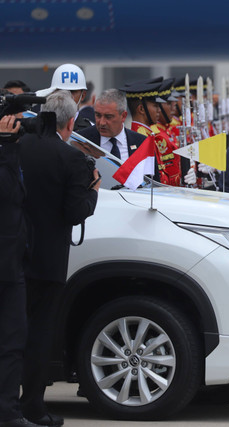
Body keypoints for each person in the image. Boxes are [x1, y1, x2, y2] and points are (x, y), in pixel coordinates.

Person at [19, 91, 100, 427]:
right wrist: (92, 191)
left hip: (12, 257)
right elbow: (75, 211)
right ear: (69, 123)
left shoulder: (16, 147)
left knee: (9, 332)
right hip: (48, 261)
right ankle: (33, 406)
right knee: (39, 334)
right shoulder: (72, 159)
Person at [0, 113, 44, 427]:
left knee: (14, 341)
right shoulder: (6, 154)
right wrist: (7, 149)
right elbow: (8, 195)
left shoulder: (10, 153)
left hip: (12, 262)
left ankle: (9, 413)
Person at [77, 89, 146, 162]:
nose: (102, 123)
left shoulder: (142, 144)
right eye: (98, 115)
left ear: (123, 116)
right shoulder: (81, 140)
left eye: (108, 117)